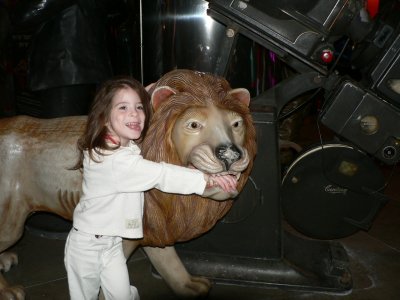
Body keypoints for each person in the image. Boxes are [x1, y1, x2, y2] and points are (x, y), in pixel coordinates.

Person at [64, 76, 237, 300]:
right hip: (87, 248)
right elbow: (162, 174)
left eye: (139, 108)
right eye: (123, 108)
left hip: (112, 245)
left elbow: (132, 121)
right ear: (105, 116)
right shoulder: (114, 161)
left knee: (122, 295)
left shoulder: (118, 143)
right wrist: (208, 179)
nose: (134, 114)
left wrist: (148, 93)